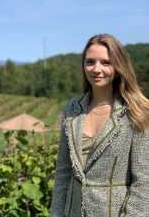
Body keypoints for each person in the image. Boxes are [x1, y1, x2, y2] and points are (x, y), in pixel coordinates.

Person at [50, 33, 149, 217]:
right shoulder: (72, 110)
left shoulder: (137, 112)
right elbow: (63, 173)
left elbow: (144, 182)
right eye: (90, 62)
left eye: (105, 62)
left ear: (119, 66)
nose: (96, 69)